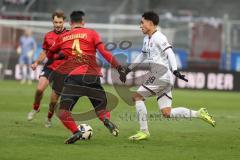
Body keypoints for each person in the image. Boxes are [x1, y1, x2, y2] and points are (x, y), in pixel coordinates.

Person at [120, 11, 216, 141]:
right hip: (165, 77)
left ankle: (144, 131)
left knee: (137, 97)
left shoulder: (159, 37)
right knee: (167, 112)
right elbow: (142, 56)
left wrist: (175, 70)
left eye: (142, 22)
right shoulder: (146, 39)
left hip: (160, 73)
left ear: (150, 23)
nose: (140, 25)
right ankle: (199, 113)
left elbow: (170, 52)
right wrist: (127, 70)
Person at [48, 10, 126, 144]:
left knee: (63, 111)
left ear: (70, 23)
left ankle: (76, 131)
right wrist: (119, 67)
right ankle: (105, 120)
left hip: (74, 78)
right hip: (92, 76)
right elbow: (104, 52)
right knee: (101, 108)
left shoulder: (63, 37)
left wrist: (59, 55)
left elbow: (50, 54)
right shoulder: (92, 33)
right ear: (83, 22)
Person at [27, 10, 68, 128]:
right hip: (50, 66)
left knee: (54, 101)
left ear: (64, 22)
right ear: (53, 22)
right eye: (56, 22)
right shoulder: (48, 35)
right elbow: (44, 51)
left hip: (62, 70)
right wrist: (36, 62)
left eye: (60, 22)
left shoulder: (70, 35)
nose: (58, 25)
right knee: (39, 89)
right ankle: (35, 108)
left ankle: (48, 118)